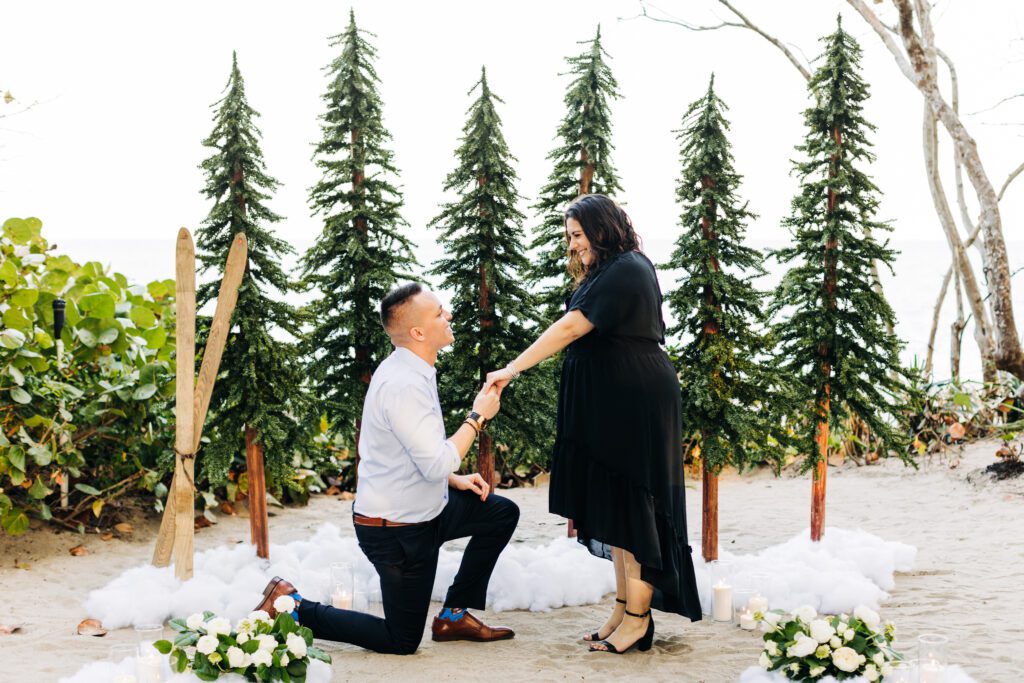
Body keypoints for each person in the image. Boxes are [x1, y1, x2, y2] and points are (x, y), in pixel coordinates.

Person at [485, 194, 702, 655]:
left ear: (603, 228)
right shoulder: (608, 269)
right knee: (620, 509)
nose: (573, 244)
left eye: (578, 234)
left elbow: (570, 328)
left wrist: (512, 369)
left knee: (635, 505)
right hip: (613, 403)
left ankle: (639, 620)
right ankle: (624, 609)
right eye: (568, 237)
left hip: (633, 403)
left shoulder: (626, 267)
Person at [253, 283, 520, 655]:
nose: (449, 315)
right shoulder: (402, 384)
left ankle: (454, 615)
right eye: (439, 312)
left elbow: (413, 452)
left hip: (428, 511)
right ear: (418, 333)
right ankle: (295, 607)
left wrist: (452, 479)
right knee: (402, 641)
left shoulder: (413, 368)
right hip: (397, 533)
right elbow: (437, 460)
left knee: (500, 513)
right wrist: (477, 417)